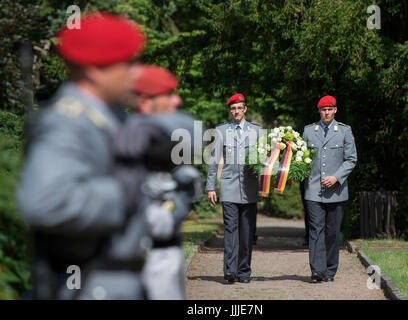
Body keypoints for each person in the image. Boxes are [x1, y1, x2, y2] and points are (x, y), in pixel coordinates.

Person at [16, 12, 149, 299]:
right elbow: (44, 201)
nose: (138, 73)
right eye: (129, 63)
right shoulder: (69, 122)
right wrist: (122, 191)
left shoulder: (105, 116)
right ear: (94, 70)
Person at [115, 65, 199, 300]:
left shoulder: (159, 139)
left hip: (164, 259)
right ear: (145, 102)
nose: (177, 100)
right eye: (168, 94)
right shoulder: (122, 140)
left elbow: (191, 129)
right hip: (135, 262)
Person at [302, 95, 357, 283]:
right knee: (315, 230)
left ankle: (330, 269)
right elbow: (301, 159)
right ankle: (317, 270)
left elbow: (351, 159)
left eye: (329, 109)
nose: (326, 112)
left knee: (332, 232)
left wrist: (336, 177)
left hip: (337, 192)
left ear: (335, 110)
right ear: (319, 111)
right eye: (323, 110)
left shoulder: (344, 131)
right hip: (313, 191)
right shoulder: (309, 131)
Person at [206, 93, 261, 284]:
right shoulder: (221, 131)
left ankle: (244, 272)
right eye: (233, 108)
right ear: (229, 111)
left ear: (245, 109)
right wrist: (210, 187)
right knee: (230, 231)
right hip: (229, 187)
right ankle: (229, 271)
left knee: (246, 234)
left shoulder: (257, 130)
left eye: (239, 108)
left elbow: (267, 160)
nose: (236, 111)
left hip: (250, 189)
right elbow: (213, 161)